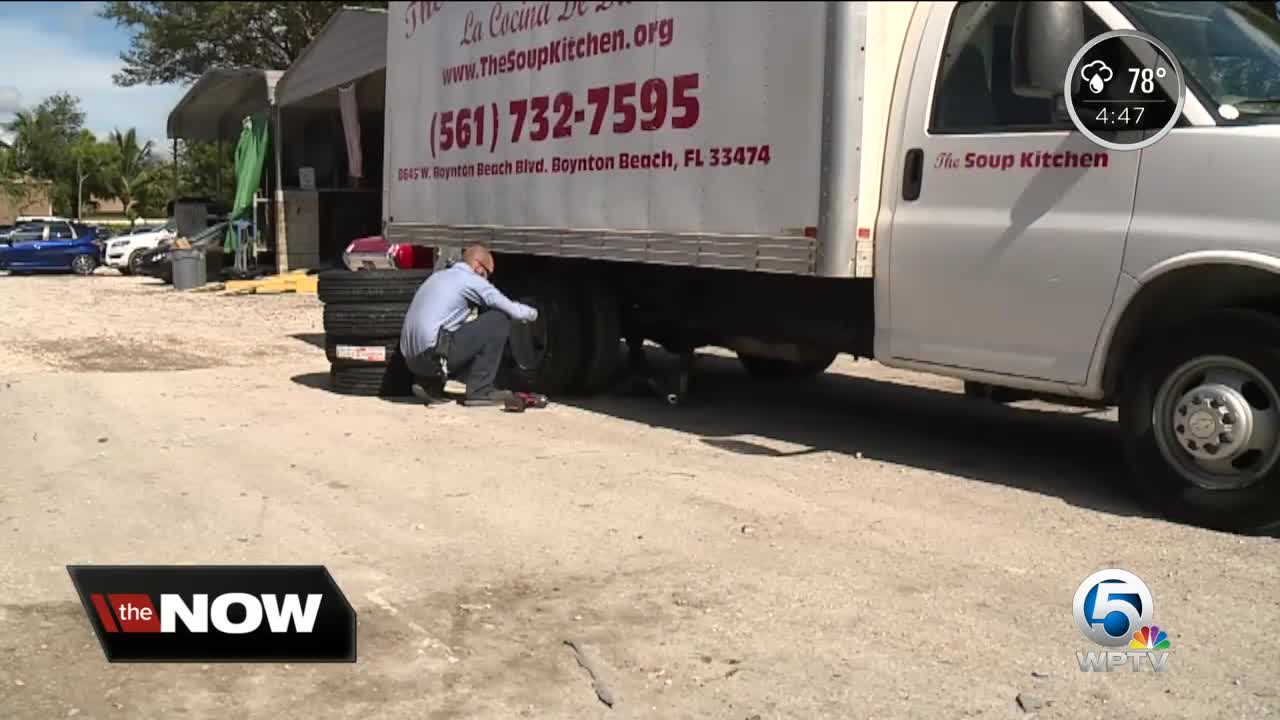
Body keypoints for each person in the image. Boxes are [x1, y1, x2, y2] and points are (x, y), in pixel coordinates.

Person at [399, 244, 539, 406]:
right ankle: (481, 390)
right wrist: (535, 314)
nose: (487, 280)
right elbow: (513, 310)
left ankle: (431, 385)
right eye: (487, 275)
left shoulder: (438, 276)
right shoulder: (471, 280)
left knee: (452, 328)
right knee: (498, 320)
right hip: (432, 358)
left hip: (412, 362)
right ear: (478, 267)